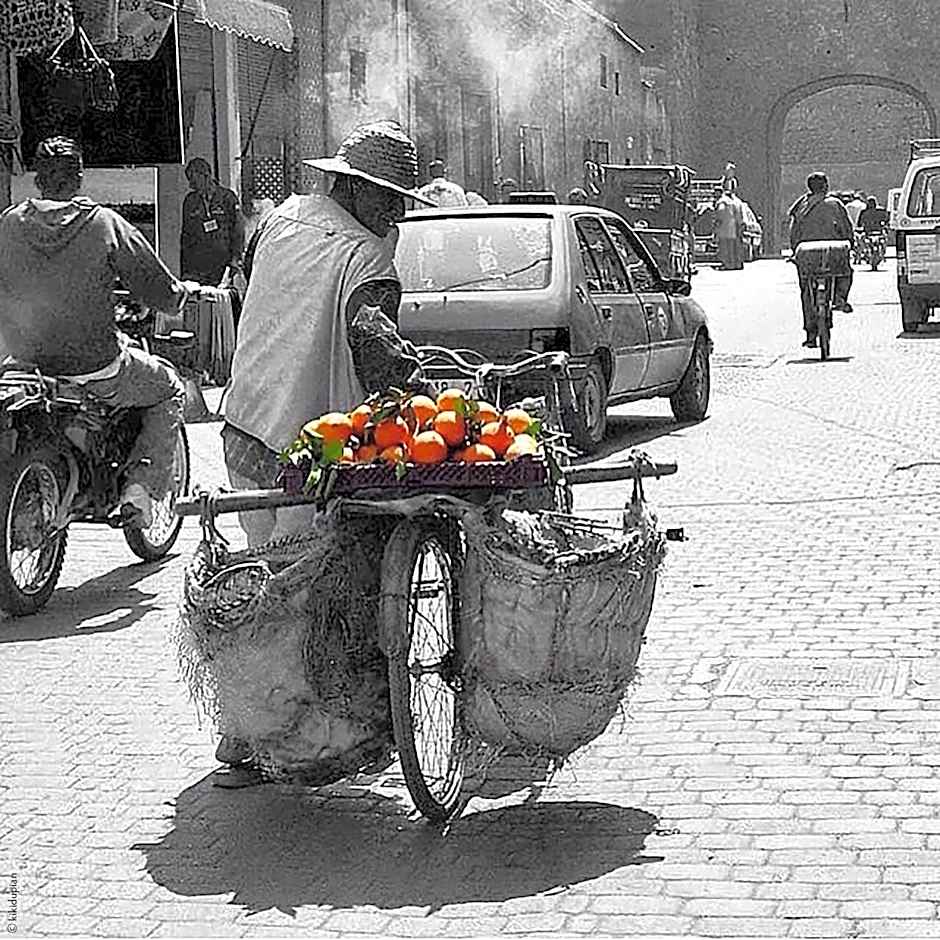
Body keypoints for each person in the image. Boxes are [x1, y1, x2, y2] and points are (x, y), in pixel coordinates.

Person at [224, 120, 434, 548]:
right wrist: (428, 405)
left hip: (242, 431)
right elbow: (378, 354)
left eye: (402, 199)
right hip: (306, 455)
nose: (398, 211)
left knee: (263, 560)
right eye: (388, 196)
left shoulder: (278, 218)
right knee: (306, 575)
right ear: (353, 185)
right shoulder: (366, 257)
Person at [0, 136, 187, 526]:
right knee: (169, 387)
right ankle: (140, 490)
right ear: (80, 178)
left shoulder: (9, 224)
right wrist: (180, 295)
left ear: (37, 179)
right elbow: (160, 290)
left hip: (26, 365)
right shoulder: (104, 224)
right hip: (94, 366)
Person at [788, 171, 855, 347]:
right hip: (832, 252)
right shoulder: (835, 204)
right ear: (825, 186)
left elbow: (794, 231)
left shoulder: (800, 205)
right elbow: (846, 228)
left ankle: (811, 334)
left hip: (806, 253)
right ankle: (840, 297)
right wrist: (850, 244)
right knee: (845, 272)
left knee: (806, 290)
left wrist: (795, 251)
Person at [180, 157, 244, 286]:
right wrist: (185, 270)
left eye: (193, 180)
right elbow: (186, 237)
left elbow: (238, 230)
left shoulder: (227, 197)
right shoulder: (190, 201)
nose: (191, 185)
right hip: (198, 266)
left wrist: (236, 258)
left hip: (222, 263)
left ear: (205, 176)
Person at [713, 186, 743, 269]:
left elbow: (721, 212)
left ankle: (726, 264)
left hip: (724, 228)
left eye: (715, 192)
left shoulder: (722, 202)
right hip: (733, 228)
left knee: (724, 248)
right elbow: (738, 215)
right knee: (732, 248)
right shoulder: (732, 202)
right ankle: (735, 264)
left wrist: (716, 223)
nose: (714, 194)